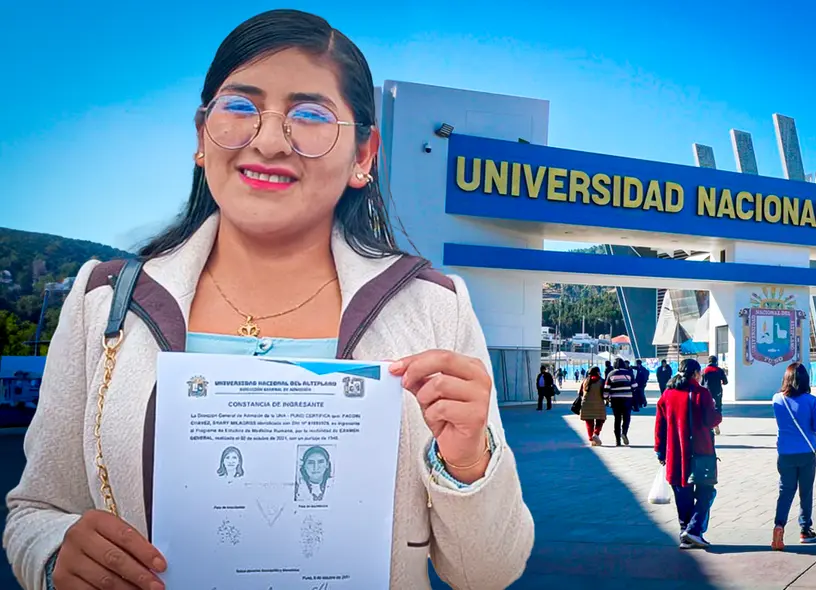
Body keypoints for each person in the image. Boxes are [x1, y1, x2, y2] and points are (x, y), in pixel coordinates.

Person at [3, 10, 534, 590]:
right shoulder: (104, 302)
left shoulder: (434, 307)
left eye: (310, 115)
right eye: (240, 108)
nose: (269, 140)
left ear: (363, 155)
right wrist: (56, 558)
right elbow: (35, 511)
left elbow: (488, 574)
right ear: (202, 136)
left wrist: (467, 462)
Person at [654, 359, 722, 549]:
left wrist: (659, 450)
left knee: (682, 494)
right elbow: (712, 419)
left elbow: (659, 425)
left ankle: (686, 533)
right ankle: (693, 530)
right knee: (706, 492)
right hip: (700, 452)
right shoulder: (702, 393)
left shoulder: (667, 395)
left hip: (675, 454)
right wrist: (717, 411)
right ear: (695, 374)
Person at [771, 362, 816, 551]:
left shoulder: (777, 399)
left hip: (785, 453)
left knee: (785, 492)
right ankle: (805, 529)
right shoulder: (811, 401)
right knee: (805, 492)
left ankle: (779, 526)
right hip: (806, 452)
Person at [603, 358, 637, 446]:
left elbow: (606, 388)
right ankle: (624, 432)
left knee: (617, 419)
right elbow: (634, 386)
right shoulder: (629, 373)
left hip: (615, 399)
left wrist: (605, 397)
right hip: (627, 399)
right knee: (626, 417)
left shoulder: (611, 374)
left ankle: (617, 440)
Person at [578, 367, 608, 446]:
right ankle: (596, 433)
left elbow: (580, 393)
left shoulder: (585, 381)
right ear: (598, 372)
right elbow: (605, 394)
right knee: (600, 421)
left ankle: (591, 439)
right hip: (599, 405)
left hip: (586, 405)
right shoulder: (602, 381)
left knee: (589, 422)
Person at [701, 356, 728, 435]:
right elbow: (725, 382)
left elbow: (702, 383)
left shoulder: (704, 370)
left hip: (706, 392)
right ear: (716, 362)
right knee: (717, 407)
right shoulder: (719, 370)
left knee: (707, 408)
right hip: (717, 392)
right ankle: (716, 422)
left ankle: (709, 424)